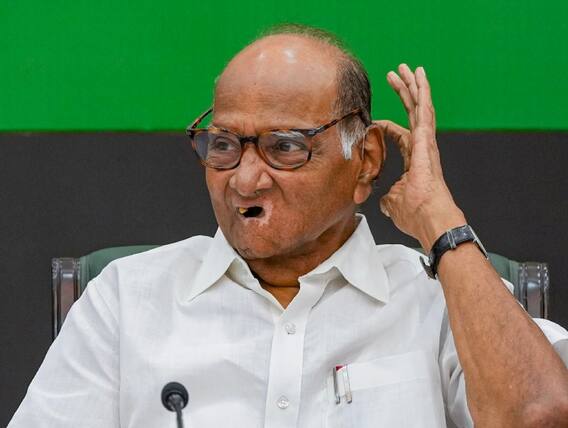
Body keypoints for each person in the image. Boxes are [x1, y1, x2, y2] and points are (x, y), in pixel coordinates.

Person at [9, 24, 568, 428]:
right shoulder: (126, 298)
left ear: (366, 161)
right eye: (224, 145)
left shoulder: (443, 300)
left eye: (284, 147)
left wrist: (439, 219)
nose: (244, 180)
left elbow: (538, 415)